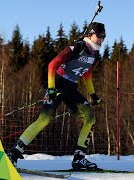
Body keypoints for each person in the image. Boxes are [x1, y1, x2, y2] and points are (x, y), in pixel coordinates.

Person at [8, 22, 105, 170]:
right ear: (89, 35)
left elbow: (87, 72)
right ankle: (13, 155)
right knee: (44, 119)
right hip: (58, 83)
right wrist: (51, 87)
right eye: (99, 36)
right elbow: (52, 64)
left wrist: (92, 93)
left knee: (89, 118)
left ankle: (79, 159)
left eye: (103, 37)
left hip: (71, 87)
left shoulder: (95, 53)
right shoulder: (78, 47)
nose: (101, 40)